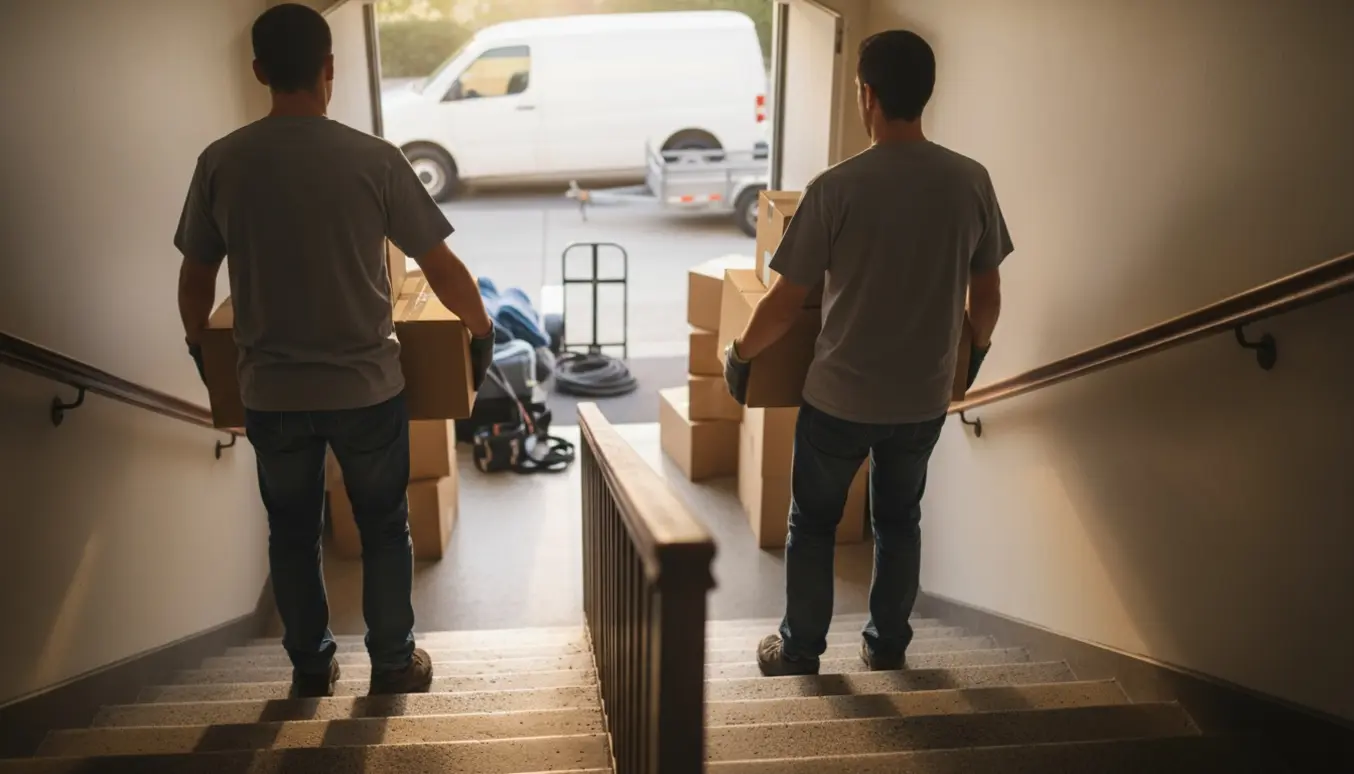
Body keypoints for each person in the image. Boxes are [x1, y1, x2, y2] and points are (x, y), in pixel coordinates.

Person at [174, 4, 495, 698]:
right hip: (366, 390)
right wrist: (480, 332)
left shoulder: (220, 163)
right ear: (330, 70)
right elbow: (442, 268)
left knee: (291, 534)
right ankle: (391, 662)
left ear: (259, 71)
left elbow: (196, 278)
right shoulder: (374, 160)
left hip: (270, 394)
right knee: (383, 528)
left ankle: (312, 668)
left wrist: (203, 354)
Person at [724, 30, 1011, 676]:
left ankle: (800, 649)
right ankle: (886, 645)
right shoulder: (970, 182)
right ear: (925, 94)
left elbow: (781, 303)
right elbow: (987, 295)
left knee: (814, 524)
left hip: (839, 400)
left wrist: (740, 356)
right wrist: (975, 354)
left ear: (868, 95)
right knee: (899, 521)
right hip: (922, 400)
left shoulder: (836, 187)